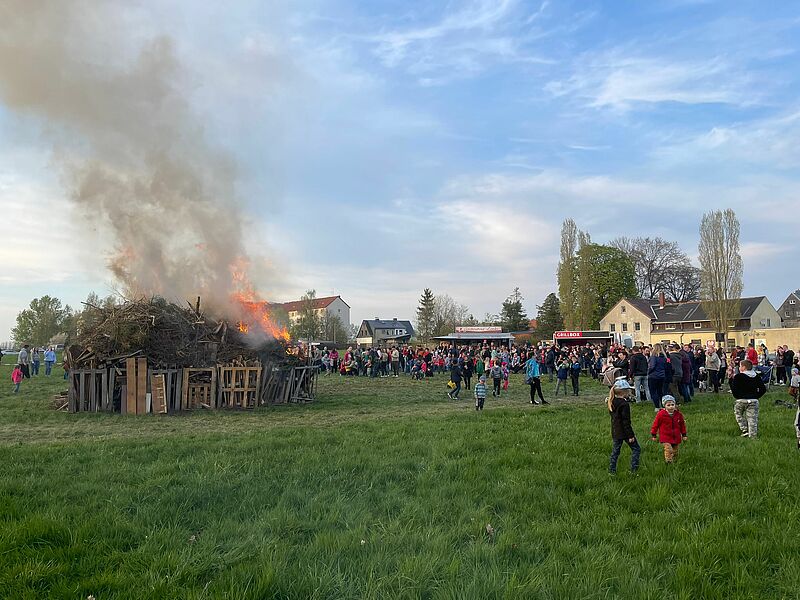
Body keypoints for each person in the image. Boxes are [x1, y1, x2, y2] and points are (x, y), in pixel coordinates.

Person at [608, 379, 640, 475]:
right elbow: (626, 421)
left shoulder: (612, 401)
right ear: (625, 391)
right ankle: (634, 470)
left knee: (615, 452)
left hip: (615, 431)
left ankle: (611, 470)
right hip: (625, 432)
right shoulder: (624, 404)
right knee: (636, 449)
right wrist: (631, 435)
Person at [729, 359, 767, 438]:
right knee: (752, 418)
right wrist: (756, 396)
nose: (739, 368)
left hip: (741, 400)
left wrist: (737, 395)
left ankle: (744, 429)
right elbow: (763, 389)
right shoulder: (756, 376)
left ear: (743, 367)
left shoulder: (738, 376)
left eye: (740, 366)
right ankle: (753, 435)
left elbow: (734, 389)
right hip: (753, 400)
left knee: (738, 414)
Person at [650, 395, 687, 464]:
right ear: (665, 406)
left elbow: (682, 425)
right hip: (665, 436)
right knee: (668, 449)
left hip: (676, 436)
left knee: (675, 451)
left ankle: (675, 461)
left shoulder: (678, 414)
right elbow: (656, 424)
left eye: (672, 404)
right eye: (668, 405)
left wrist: (684, 434)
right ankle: (669, 462)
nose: (671, 406)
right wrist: (653, 434)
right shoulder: (661, 414)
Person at [647, 344, 667, 411]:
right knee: (660, 392)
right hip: (661, 376)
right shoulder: (664, 357)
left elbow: (652, 366)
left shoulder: (653, 357)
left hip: (653, 376)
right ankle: (663, 405)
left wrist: (648, 372)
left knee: (653, 392)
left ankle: (657, 406)